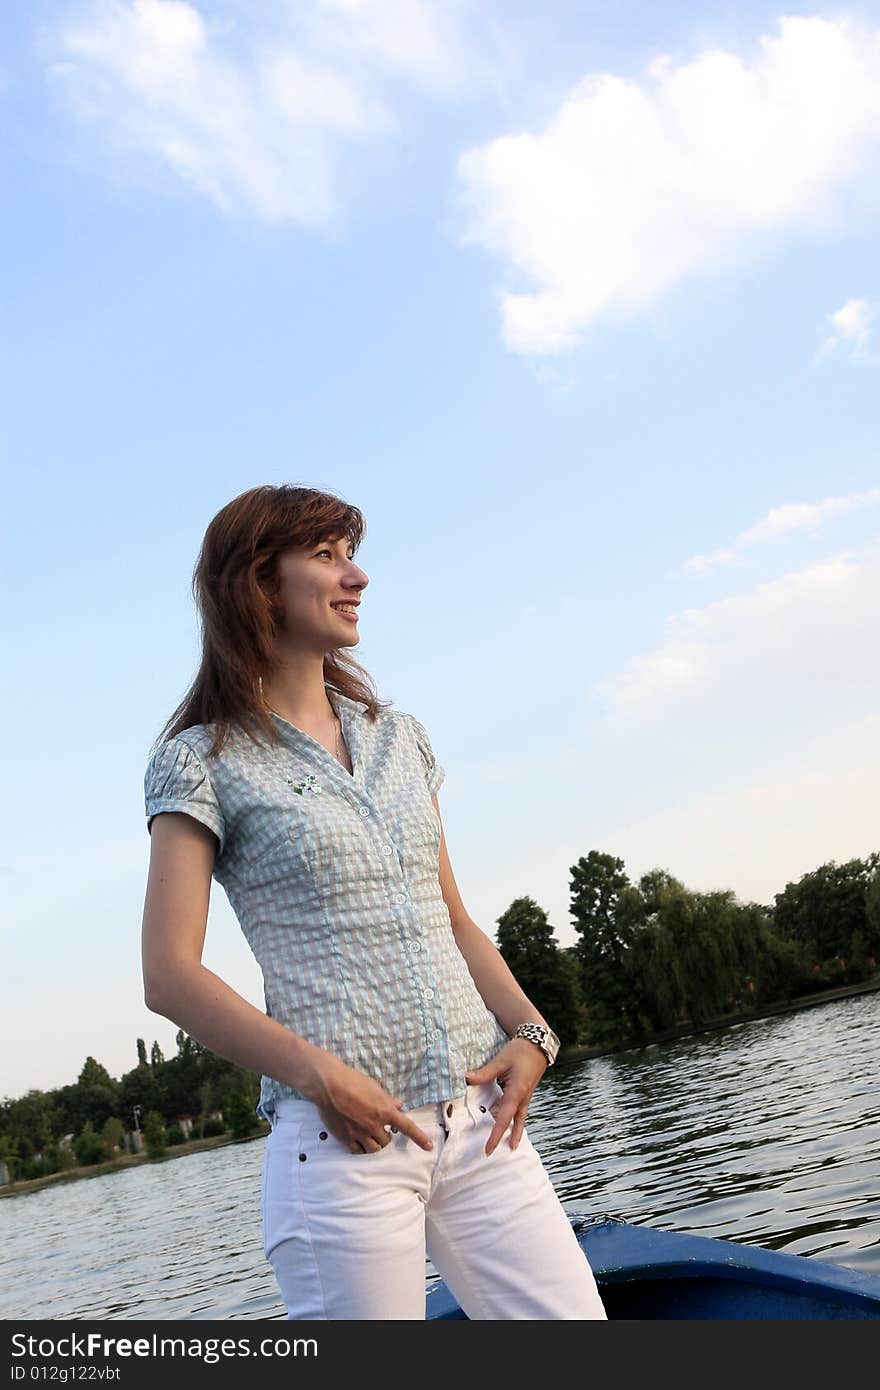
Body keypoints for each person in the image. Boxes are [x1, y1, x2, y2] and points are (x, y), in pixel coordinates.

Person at [141, 483, 607, 1321]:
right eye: (325, 556)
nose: (355, 577)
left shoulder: (401, 738)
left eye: (350, 555)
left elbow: (454, 920)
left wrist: (534, 1035)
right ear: (257, 582)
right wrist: (321, 1076)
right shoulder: (200, 760)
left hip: (484, 1130)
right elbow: (169, 976)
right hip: (345, 1150)